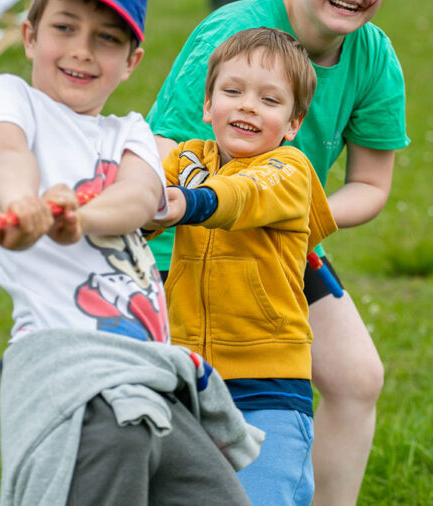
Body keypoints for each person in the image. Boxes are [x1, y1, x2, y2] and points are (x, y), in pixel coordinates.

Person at [0, 0, 261, 506]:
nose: (81, 50)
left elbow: (138, 196)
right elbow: (6, 156)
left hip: (151, 373)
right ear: (29, 36)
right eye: (64, 28)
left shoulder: (129, 132)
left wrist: (78, 217)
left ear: (131, 61)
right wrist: (22, 203)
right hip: (72, 369)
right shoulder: (8, 97)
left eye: (106, 38)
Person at [146, 0, 409, 505]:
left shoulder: (374, 57)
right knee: (171, 408)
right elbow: (163, 149)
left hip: (279, 239)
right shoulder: (233, 35)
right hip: (181, 240)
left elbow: (370, 187)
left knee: (356, 377)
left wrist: (290, 219)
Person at [144, 27, 338, 506]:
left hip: (267, 382)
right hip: (188, 377)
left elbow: (239, 197)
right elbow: (139, 203)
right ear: (208, 106)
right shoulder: (187, 158)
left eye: (269, 100)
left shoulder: (289, 170)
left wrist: (187, 201)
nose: (248, 106)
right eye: (232, 92)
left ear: (293, 122)